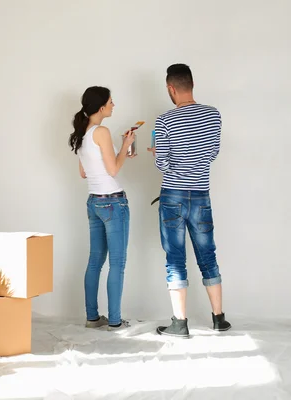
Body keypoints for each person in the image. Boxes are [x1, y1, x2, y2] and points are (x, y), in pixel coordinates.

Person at [147, 64, 231, 338]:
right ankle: (219, 318)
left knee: (175, 259)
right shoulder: (213, 115)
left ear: (171, 88)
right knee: (208, 255)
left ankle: (179, 324)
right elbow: (213, 152)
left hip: (173, 195)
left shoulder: (165, 121)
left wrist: (158, 153)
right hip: (201, 194)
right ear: (191, 84)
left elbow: (162, 163)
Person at [69, 86, 135, 331]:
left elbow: (84, 171)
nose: (113, 104)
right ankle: (116, 321)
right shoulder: (102, 131)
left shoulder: (82, 133)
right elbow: (114, 170)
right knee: (117, 262)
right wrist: (126, 146)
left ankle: (92, 318)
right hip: (113, 202)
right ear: (100, 107)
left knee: (95, 260)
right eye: (110, 101)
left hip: (93, 202)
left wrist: (118, 153)